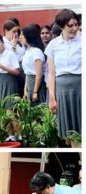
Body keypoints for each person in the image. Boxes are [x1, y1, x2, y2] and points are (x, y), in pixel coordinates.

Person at [45, 9, 81, 142]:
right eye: (70, 26)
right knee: (69, 133)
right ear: (61, 26)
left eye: (76, 24)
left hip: (80, 87)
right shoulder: (53, 45)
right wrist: (52, 97)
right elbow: (51, 73)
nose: (74, 28)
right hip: (62, 90)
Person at [0, 33, 20, 141]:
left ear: (2, 43)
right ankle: (10, 134)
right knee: (3, 111)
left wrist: (1, 65)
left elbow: (17, 71)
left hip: (10, 82)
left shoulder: (10, 54)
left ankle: (19, 134)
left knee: (10, 111)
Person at [21, 24, 47, 105]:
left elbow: (39, 74)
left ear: (28, 36)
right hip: (29, 82)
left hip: (36, 83)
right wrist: (25, 89)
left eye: (22, 35)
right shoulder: (28, 50)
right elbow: (27, 72)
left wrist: (35, 91)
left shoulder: (36, 51)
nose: (20, 37)